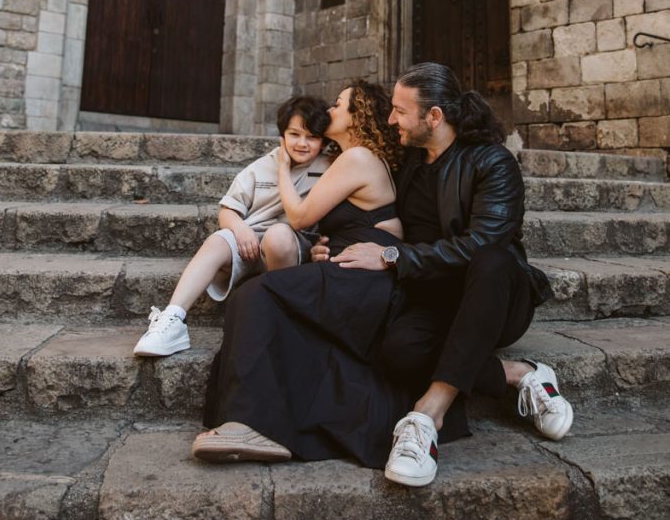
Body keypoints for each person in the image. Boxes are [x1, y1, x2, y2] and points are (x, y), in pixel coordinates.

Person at [329, 62, 573, 487]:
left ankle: (427, 416)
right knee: (399, 352)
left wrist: (391, 256)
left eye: (400, 111)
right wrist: (330, 243)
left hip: (496, 297)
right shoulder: (406, 160)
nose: (391, 120)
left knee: (493, 258)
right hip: (435, 298)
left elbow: (481, 244)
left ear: (435, 117)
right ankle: (519, 374)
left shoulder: (492, 162)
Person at [191, 81, 407, 466]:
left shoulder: (357, 157)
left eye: (339, 105)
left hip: (367, 280)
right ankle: (256, 421)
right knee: (260, 295)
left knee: (256, 294)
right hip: (352, 268)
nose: (331, 111)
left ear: (357, 117)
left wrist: (283, 167)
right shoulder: (354, 157)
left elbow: (299, 216)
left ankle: (251, 422)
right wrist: (327, 246)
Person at [133, 95, 331, 357]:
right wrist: (240, 229)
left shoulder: (328, 168)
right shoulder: (260, 168)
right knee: (218, 239)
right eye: (294, 134)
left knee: (277, 235)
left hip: (290, 248)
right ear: (282, 135)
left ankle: (281, 314)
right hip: (250, 245)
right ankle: (173, 319)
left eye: (312, 137)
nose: (302, 143)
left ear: (324, 140)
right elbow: (228, 210)